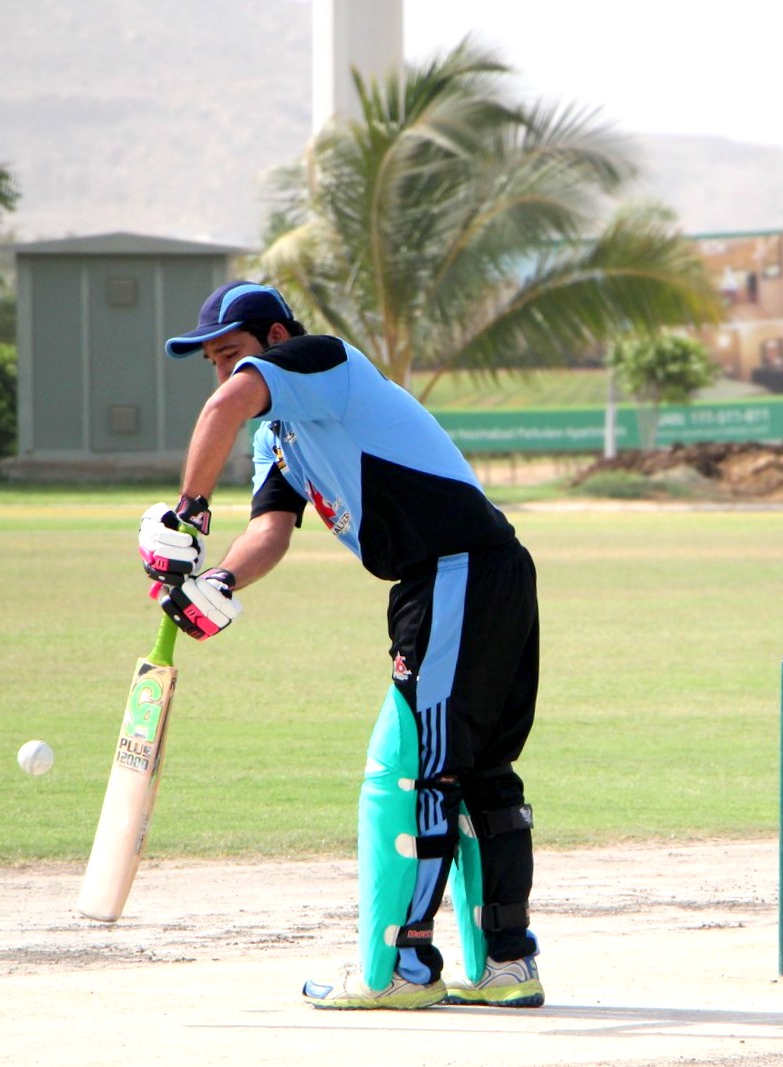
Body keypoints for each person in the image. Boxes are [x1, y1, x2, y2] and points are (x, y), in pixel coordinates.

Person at [138, 281, 543, 1010]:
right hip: (471, 574)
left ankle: (399, 970)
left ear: (276, 338)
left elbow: (223, 407)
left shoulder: (323, 360)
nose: (224, 372)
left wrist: (189, 512)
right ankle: (507, 965)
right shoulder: (278, 437)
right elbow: (269, 531)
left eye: (233, 353)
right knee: (477, 772)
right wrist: (219, 580)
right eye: (213, 361)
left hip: (456, 571)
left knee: (408, 769)